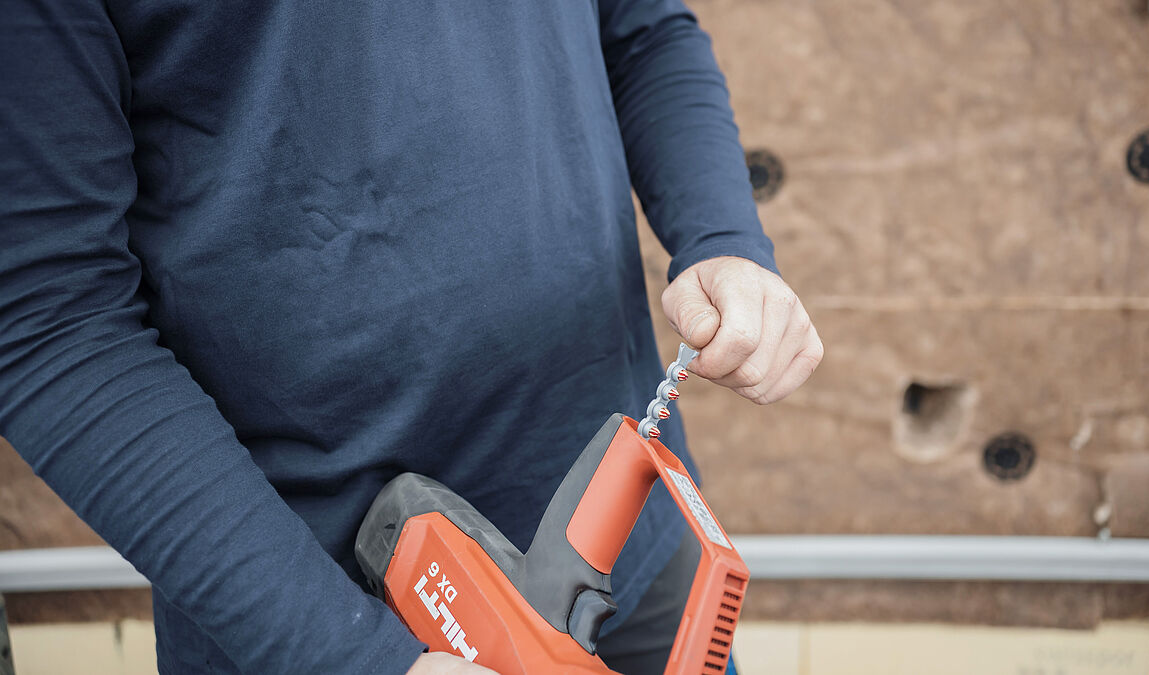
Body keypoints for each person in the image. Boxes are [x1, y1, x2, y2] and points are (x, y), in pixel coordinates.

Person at [0, 0, 822, 672]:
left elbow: (641, 29)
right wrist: (351, 656)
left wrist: (724, 239)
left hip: (631, 557)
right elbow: (54, 319)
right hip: (333, 617)